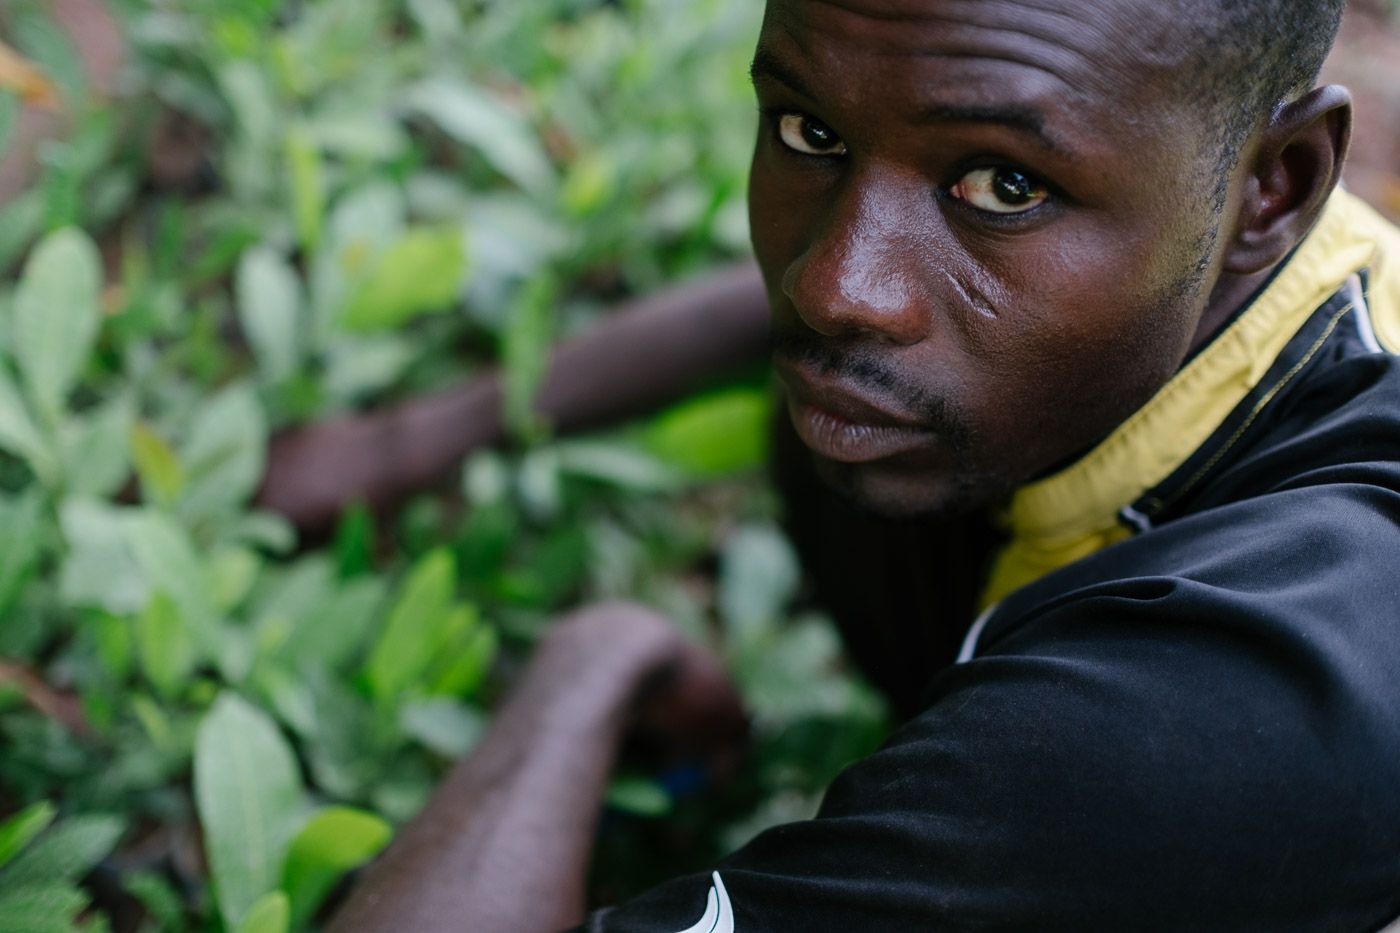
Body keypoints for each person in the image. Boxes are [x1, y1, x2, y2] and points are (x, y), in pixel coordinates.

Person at [311, 0, 1400, 928]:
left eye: (1003, 186)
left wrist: (583, 666)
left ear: (1275, 188)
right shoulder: (1237, 235)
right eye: (809, 130)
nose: (835, 286)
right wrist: (411, 441)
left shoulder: (1200, 716)